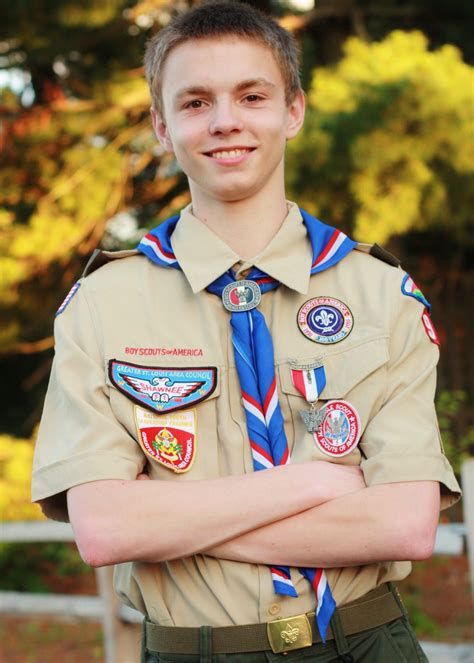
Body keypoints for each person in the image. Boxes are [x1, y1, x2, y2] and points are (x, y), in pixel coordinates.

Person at [32, 2, 461, 661]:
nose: (225, 120)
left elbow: (403, 525)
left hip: (365, 643)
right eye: (196, 101)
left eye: (251, 95)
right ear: (162, 125)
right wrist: (312, 483)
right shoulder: (101, 305)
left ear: (293, 110)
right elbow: (105, 530)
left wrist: (167, 520)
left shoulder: (380, 295)